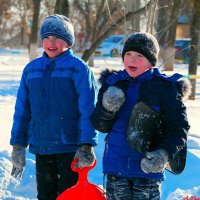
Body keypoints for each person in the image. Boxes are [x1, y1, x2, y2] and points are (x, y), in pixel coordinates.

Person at [90, 32, 191, 200]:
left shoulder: (165, 88)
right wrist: (107, 109)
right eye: (128, 54)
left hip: (148, 171)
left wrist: (163, 154)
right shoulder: (113, 83)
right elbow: (101, 125)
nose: (132, 60)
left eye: (139, 56)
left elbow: (179, 128)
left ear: (151, 61)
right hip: (116, 168)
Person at [10, 14, 98, 200]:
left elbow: (88, 109)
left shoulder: (78, 69)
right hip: (42, 146)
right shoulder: (31, 70)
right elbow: (22, 111)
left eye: (58, 37)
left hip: (70, 148)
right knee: (45, 195)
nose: (52, 42)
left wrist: (86, 144)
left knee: (68, 195)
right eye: (47, 37)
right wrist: (18, 144)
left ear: (68, 42)